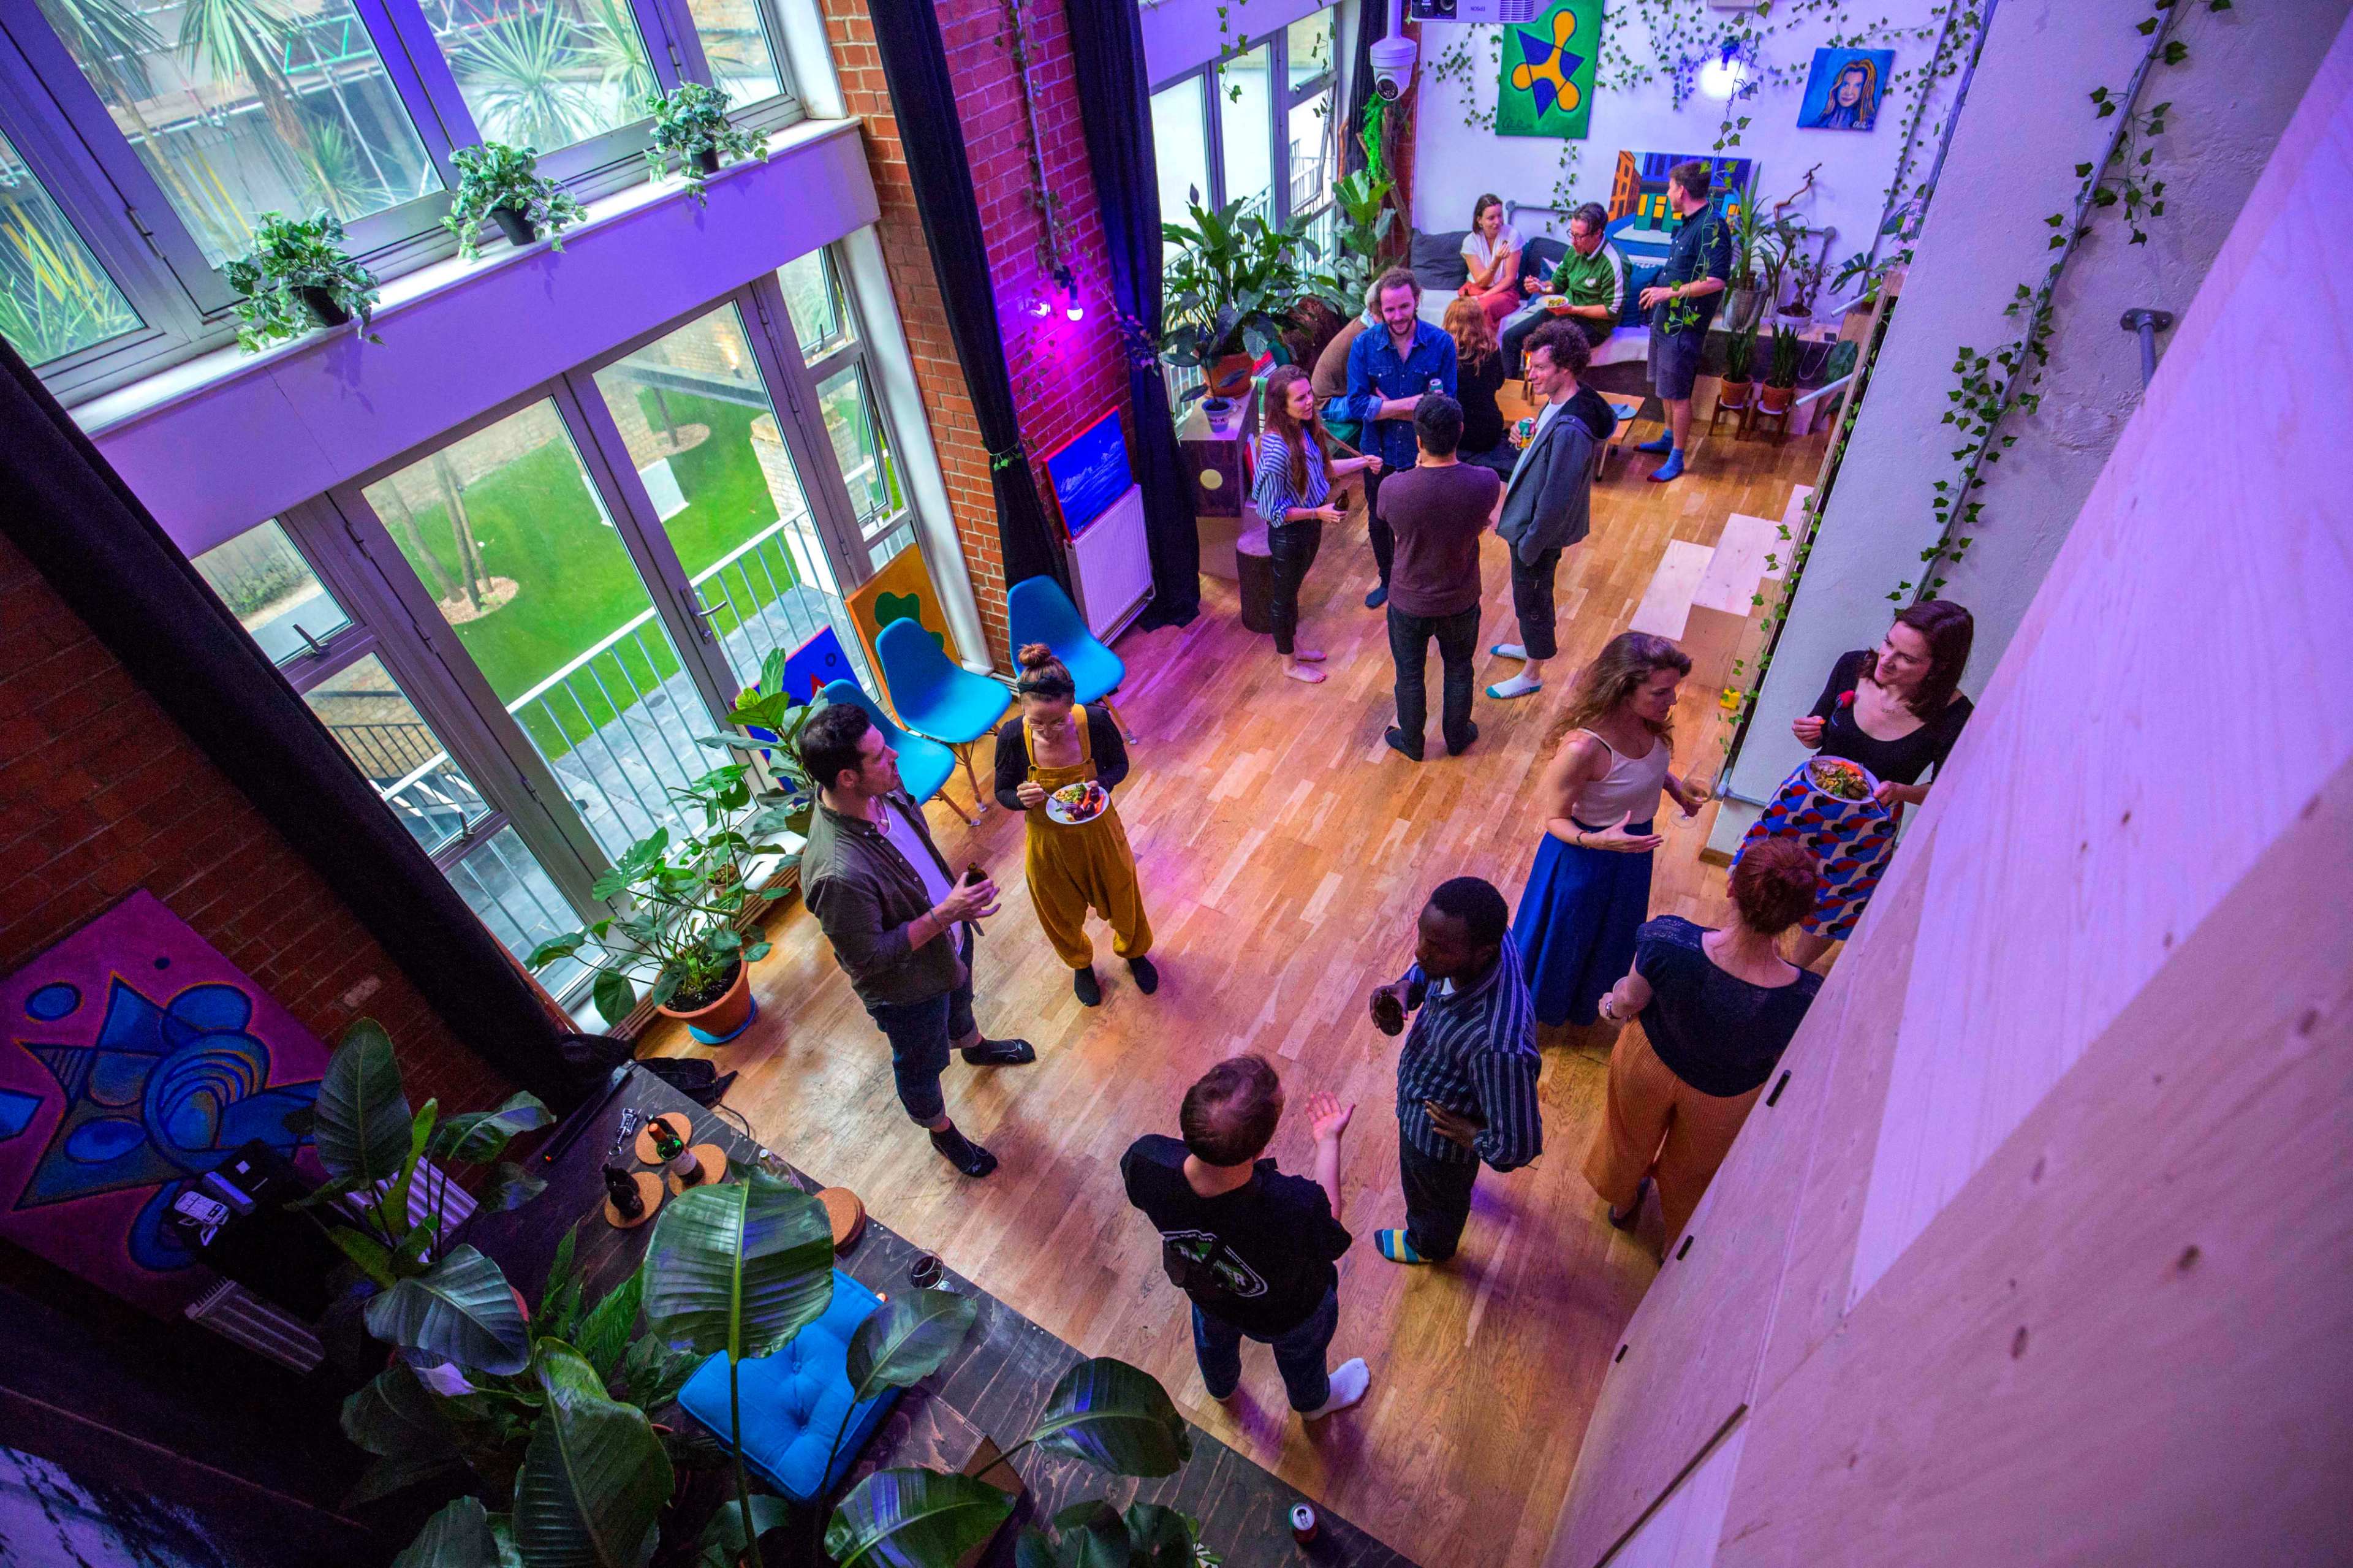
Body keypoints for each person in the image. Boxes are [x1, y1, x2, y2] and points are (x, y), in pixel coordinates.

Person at [798, 703, 1036, 1178]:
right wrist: (945, 912)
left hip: (947, 939)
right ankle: (940, 1128)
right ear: (847, 778)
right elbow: (869, 959)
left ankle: (972, 1045)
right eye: (878, 753)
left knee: (961, 998)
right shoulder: (836, 872)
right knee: (921, 1062)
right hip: (908, 988)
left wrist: (952, 912)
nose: (895, 754)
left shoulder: (884, 788)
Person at [1588, 838, 1824, 1244]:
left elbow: (1628, 999)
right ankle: (1674, 1240)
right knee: (1694, 1172)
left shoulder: (1666, 940)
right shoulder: (1808, 997)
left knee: (1627, 1137)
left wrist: (1608, 1006)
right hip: (1727, 1096)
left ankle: (1622, 1201)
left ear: (1732, 887)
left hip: (1648, 1064)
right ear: (1802, 916)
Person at [1121, 1056, 1371, 1419]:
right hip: (1291, 1315)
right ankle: (1313, 1404)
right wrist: (1328, 1141)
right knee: (1303, 1356)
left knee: (1213, 1338)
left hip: (1208, 1291)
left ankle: (1220, 1388)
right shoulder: (1293, 1204)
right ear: (1259, 1150)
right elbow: (1329, 1219)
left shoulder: (1146, 1160)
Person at [1511, 633, 1708, 1029]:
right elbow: (1553, 818)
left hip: (1630, 849)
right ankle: (1536, 1016)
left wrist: (1672, 787)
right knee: (1565, 942)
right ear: (1622, 688)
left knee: (1609, 936)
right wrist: (1596, 840)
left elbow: (1639, 766)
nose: (1672, 701)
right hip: (1582, 859)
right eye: (1661, 692)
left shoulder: (1647, 722)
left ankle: (1582, 1004)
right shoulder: (1582, 749)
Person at [1783, 600, 1976, 964]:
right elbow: (1819, 728)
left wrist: (1903, 791)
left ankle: (1792, 971)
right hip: (1808, 798)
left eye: (1908, 658)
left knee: (1832, 908)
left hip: (1868, 824)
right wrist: (1807, 732)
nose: (1886, 659)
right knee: (1769, 873)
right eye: (1888, 643)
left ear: (1940, 668)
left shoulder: (1955, 715)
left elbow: (1950, 789)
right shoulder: (1852, 665)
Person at [1368, 876, 1541, 1265]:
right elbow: (1427, 967)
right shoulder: (1488, 937)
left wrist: (1472, 1136)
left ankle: (1429, 1246)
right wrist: (1406, 988)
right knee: (1443, 1193)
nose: (1420, 952)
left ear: (1483, 953)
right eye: (1423, 936)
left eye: (1439, 948)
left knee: (1433, 1196)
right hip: (1429, 1093)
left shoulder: (1498, 1046)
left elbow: (1519, 1145)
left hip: (1437, 1143)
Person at [990, 646, 1155, 1006]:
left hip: (1100, 834)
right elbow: (1001, 790)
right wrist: (1020, 798)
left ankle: (1134, 952)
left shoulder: (1095, 722)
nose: (1047, 732)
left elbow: (1119, 767)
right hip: (1048, 844)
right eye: (1037, 723)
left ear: (1072, 706)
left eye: (1058, 721)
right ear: (1022, 709)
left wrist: (1105, 784)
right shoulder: (1011, 737)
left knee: (1124, 897)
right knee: (1056, 910)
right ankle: (1081, 964)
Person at [1377, 393, 1501, 762]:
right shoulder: (1486, 482)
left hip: (1409, 599)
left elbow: (1391, 524)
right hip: (1460, 596)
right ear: (1460, 432)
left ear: (1418, 439)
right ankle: (1458, 736)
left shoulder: (1393, 488)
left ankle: (1412, 742)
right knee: (1460, 669)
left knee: (1410, 673)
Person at [1488, 322, 1604, 703]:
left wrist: (1530, 543)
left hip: (1535, 532)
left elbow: (1556, 499)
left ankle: (1533, 672)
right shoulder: (1564, 403)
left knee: (1533, 598)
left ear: (1564, 370)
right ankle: (1531, 646)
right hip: (1527, 522)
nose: (1530, 375)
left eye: (1539, 368)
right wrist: (1530, 434)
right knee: (1528, 595)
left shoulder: (1572, 428)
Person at [1252, 365, 1383, 684]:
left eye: (1309, 393)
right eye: (1300, 399)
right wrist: (1316, 513)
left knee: (1293, 592)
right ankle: (1289, 665)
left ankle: (1293, 648)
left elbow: (1323, 470)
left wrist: (1362, 462)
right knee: (1283, 598)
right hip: (1289, 534)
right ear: (1280, 406)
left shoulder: (1302, 429)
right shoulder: (1276, 451)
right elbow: (1271, 511)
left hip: (1308, 527)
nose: (1309, 402)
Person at [1343, 268, 1459, 609]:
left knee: (1425, 521)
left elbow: (1447, 408)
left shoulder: (1441, 344)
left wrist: (1384, 406)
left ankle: (1421, 581)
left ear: (1417, 301)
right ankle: (1388, 581)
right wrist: (1410, 404)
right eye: (1389, 310)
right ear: (1379, 309)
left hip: (1424, 453)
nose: (1397, 316)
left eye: (1404, 307)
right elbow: (1356, 405)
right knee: (1379, 520)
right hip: (1377, 452)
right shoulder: (1364, 345)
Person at [1633, 161, 1733, 484]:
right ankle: (1666, 438)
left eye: (1669, 187)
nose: (1667, 192)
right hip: (1664, 322)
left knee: (1678, 394)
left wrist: (1667, 292)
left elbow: (1716, 281)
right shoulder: (1687, 223)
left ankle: (1677, 457)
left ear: (1682, 191)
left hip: (1683, 327)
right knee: (1665, 389)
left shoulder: (1712, 227)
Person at [1501, 203, 1623, 375]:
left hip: (1594, 326)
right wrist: (1541, 287)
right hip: (1565, 312)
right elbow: (1557, 284)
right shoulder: (1574, 250)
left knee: (1550, 351)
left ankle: (1552, 399)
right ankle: (1512, 395)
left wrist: (1573, 309)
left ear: (1597, 234)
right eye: (1571, 234)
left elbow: (1611, 311)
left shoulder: (1614, 262)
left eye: (1579, 236)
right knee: (1510, 338)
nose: (1573, 242)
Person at [1442, 297, 1513, 478]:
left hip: (1455, 433)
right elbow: (1498, 383)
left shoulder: (1443, 353)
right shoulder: (1492, 349)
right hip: (1489, 431)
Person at [1460, 194, 1523, 333]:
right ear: (1479, 220)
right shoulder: (1470, 242)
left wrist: (1484, 297)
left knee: (1482, 309)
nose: (1498, 222)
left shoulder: (1512, 235)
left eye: (1500, 215)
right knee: (1460, 311)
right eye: (1491, 218)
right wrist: (1497, 261)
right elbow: (1482, 282)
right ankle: (1460, 351)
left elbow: (1510, 278)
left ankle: (1485, 351)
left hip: (1504, 291)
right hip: (1476, 288)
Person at [1807, 56, 1880, 130]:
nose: (1849, 92)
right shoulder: (1819, 123)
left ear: (1864, 90)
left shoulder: (1867, 125)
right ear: (1838, 86)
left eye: (1857, 86)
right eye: (1845, 84)